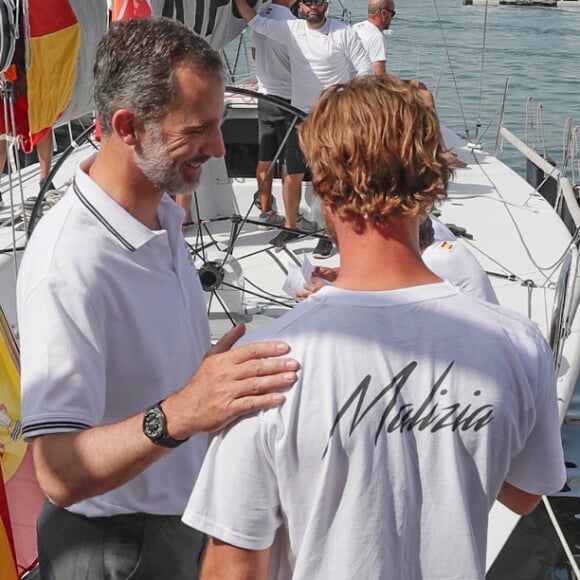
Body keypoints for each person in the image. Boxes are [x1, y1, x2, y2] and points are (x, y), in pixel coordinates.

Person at [182, 75, 565, 579]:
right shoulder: (517, 344)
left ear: (321, 186)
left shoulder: (260, 365)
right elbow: (524, 493)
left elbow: (234, 569)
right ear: (434, 178)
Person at [17, 17, 299, 580]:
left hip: (172, 524)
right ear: (128, 127)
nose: (219, 149)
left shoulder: (163, 213)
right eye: (200, 129)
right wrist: (187, 409)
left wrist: (211, 377)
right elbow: (58, 472)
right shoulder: (69, 264)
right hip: (114, 548)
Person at [233, 0, 374, 257]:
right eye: (308, 2)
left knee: (328, 179)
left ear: (326, 4)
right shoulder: (292, 29)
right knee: (292, 175)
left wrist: (345, 98)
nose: (313, 7)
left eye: (318, 1)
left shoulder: (344, 32)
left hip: (331, 120)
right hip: (298, 117)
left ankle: (327, 234)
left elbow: (366, 71)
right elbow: (255, 22)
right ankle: (291, 226)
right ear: (302, 4)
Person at [296, 214, 499, 303]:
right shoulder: (441, 249)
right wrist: (338, 274)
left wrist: (332, 293)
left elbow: (383, 294)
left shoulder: (435, 262)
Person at [251, 0, 295, 230]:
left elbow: (255, 53)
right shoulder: (291, 22)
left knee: (265, 159)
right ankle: (292, 218)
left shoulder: (261, 15)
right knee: (290, 162)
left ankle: (266, 213)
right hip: (288, 99)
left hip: (264, 96)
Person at [352, 0, 395, 75]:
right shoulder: (377, 37)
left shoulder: (356, 27)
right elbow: (380, 76)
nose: (392, 18)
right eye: (392, 14)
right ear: (383, 13)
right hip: (360, 85)